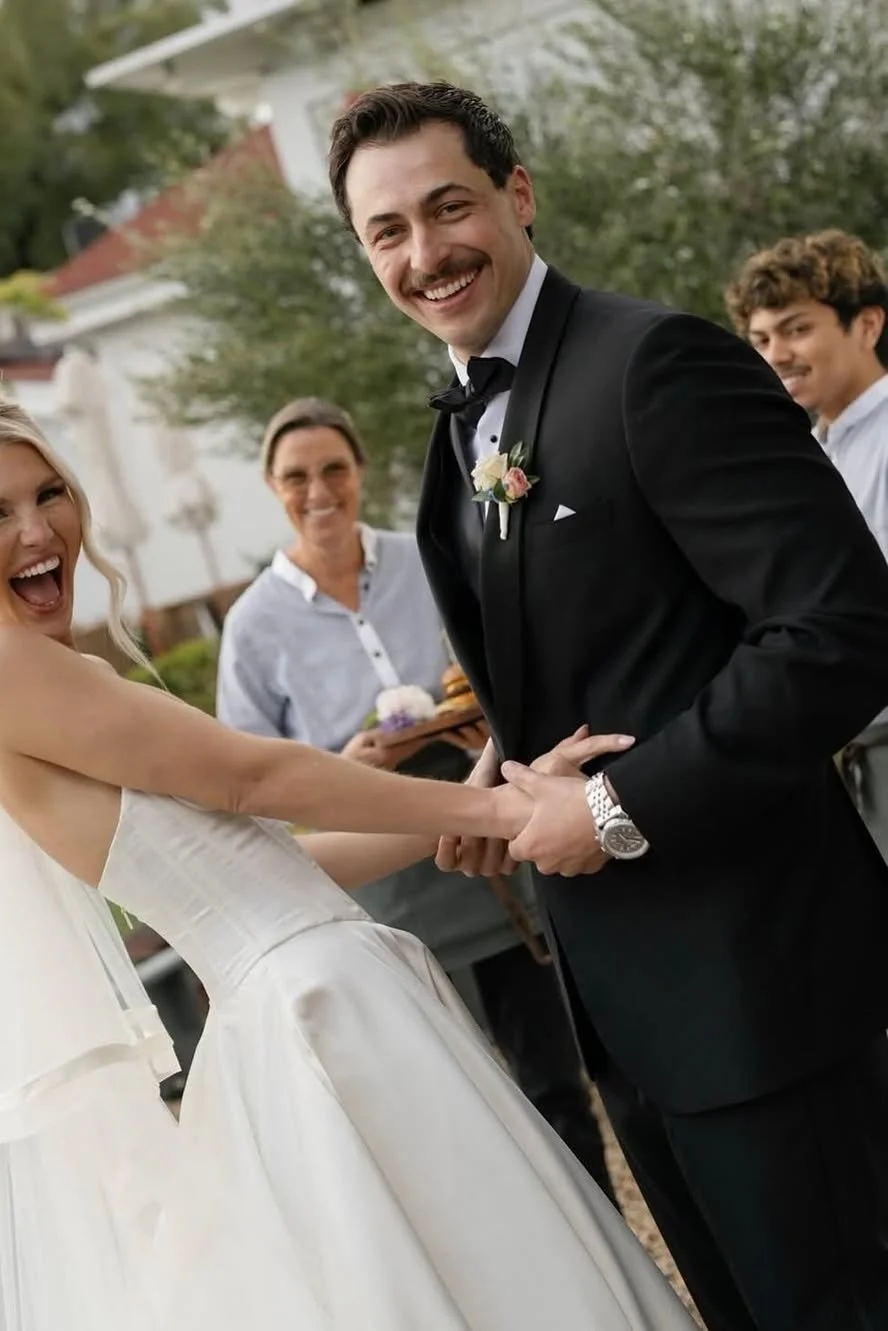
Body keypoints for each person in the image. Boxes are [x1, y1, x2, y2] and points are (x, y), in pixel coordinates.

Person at [0, 366, 693, 1331]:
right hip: (311, 997)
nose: (40, 531)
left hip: (302, 982)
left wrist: (466, 804)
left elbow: (270, 862)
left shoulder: (24, 671)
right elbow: (252, 778)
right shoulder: (4, 667)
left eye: (48, 492)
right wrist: (515, 817)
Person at [328, 82, 888, 1331]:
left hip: (764, 993)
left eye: (451, 206)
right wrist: (500, 786)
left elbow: (843, 627)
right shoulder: (462, 425)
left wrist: (614, 806)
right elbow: (577, 672)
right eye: (388, 232)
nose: (427, 254)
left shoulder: (656, 362)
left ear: (518, 194)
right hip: (627, 1009)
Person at [217, 394, 615, 1201]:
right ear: (270, 485)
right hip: (379, 898)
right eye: (297, 476)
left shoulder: (428, 555)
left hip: (492, 869)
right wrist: (345, 762)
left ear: (360, 471)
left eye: (334, 468)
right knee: (444, 1108)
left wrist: (488, 730)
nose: (318, 489)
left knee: (554, 1082)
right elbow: (244, 787)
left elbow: (506, 672)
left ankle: (601, 1260)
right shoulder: (252, 626)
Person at [725, 229, 888, 858]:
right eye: (760, 340)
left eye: (796, 330)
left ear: (867, 325)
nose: (776, 355)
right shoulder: (810, 453)